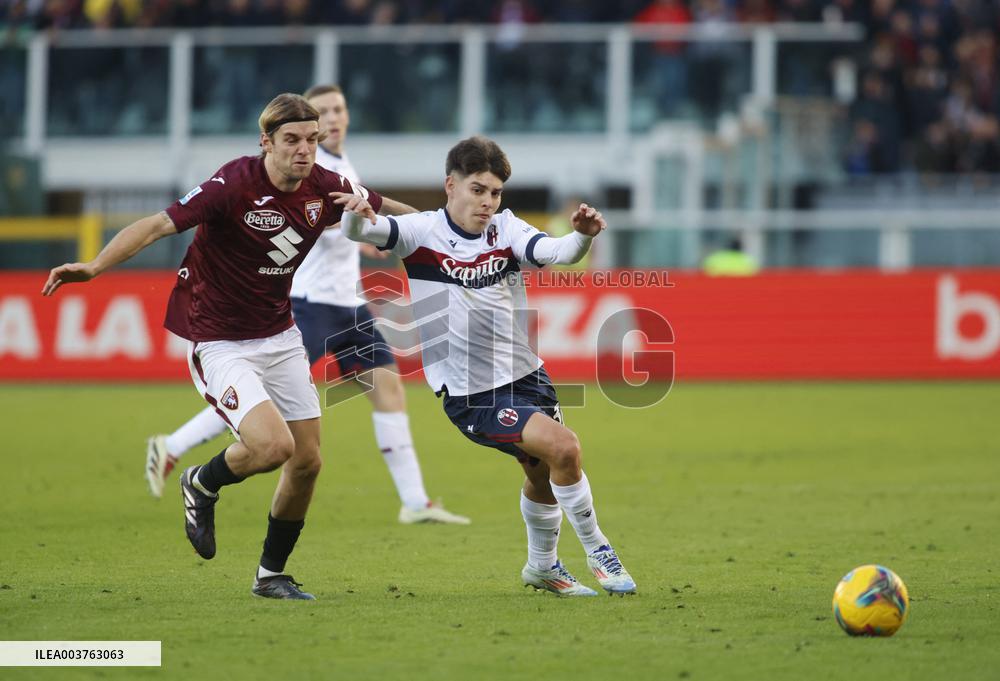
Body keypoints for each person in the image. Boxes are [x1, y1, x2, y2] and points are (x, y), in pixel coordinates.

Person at [43, 93, 384, 600]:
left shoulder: (324, 184)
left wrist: (443, 226)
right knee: (274, 447)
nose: (305, 150)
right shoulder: (232, 184)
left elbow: (384, 208)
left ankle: (270, 576)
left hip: (280, 335)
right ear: (266, 142)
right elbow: (157, 225)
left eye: (312, 140)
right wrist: (94, 266)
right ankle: (201, 482)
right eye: (292, 139)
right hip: (220, 340)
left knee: (308, 461)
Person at [145, 84, 469, 526]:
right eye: (324, 112)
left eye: (338, 110)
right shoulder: (304, 168)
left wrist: (380, 231)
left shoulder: (339, 165)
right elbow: (307, 218)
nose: (333, 118)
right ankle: (174, 445)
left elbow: (350, 218)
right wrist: (365, 228)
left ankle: (414, 501)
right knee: (262, 401)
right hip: (308, 302)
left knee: (388, 389)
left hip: (348, 303)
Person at [335, 136, 636, 596]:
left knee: (541, 472)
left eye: (495, 192)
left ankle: (542, 567)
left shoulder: (507, 229)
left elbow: (558, 253)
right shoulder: (420, 232)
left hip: (528, 376)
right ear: (450, 185)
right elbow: (360, 233)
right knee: (565, 448)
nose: (487, 202)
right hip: (472, 395)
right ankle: (599, 550)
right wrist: (356, 214)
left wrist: (582, 236)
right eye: (478, 190)